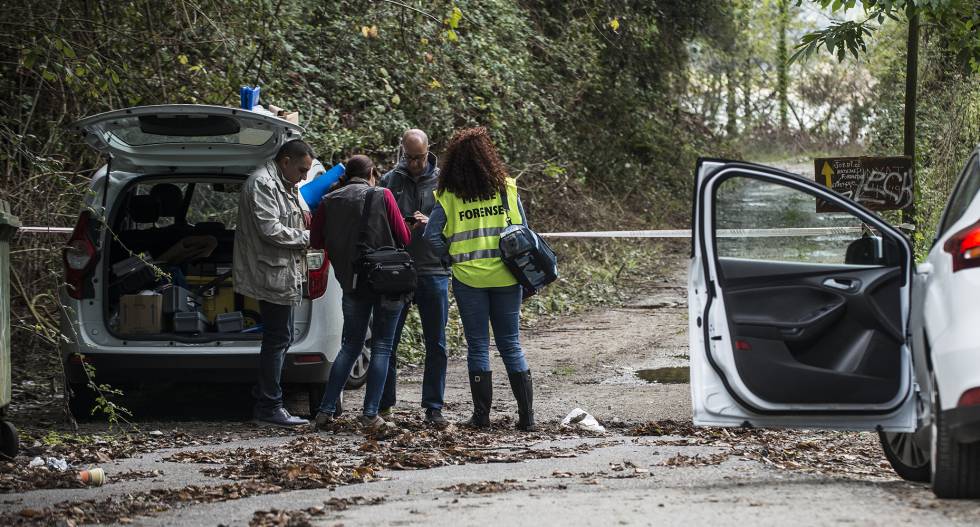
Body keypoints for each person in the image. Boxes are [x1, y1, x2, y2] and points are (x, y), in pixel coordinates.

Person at [423, 127, 537, 432]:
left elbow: (431, 236)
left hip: (468, 278)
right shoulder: (506, 189)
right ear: (488, 156)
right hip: (506, 277)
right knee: (510, 344)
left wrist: (450, 257)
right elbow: (523, 231)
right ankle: (527, 418)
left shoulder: (448, 196)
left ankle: (482, 417)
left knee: (477, 345)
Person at [311, 155, 411, 433]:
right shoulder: (383, 195)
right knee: (382, 346)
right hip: (385, 282)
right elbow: (404, 237)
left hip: (352, 283)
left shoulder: (329, 201)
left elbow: (316, 240)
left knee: (350, 345)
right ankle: (370, 414)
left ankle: (325, 411)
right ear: (371, 174)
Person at [234, 139, 314, 427]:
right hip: (272, 272)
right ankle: (269, 406)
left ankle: (266, 394)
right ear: (286, 162)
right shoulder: (263, 184)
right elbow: (271, 230)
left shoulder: (284, 183)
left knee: (282, 336)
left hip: (283, 271)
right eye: (302, 170)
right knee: (278, 338)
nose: (304, 177)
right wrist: (309, 238)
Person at [378, 129, 450, 427]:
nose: (415, 164)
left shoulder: (445, 182)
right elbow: (377, 221)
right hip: (398, 270)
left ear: (429, 151)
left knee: (437, 343)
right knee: (388, 342)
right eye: (409, 157)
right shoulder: (389, 180)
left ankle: (433, 408)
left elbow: (454, 223)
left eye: (419, 158)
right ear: (401, 152)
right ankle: (384, 406)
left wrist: (429, 222)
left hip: (434, 269)